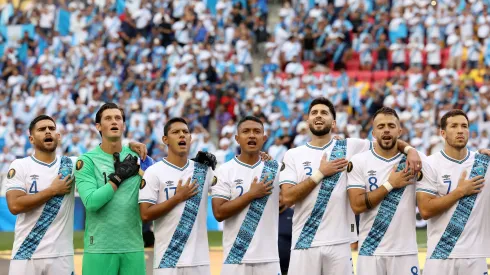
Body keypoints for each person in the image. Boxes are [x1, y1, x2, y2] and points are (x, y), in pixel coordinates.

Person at [279, 97, 421, 275]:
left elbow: (387, 141)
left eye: (324, 113)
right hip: (304, 241)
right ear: (307, 120)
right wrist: (320, 173)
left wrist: (410, 150)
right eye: (314, 113)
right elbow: (287, 197)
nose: (319, 116)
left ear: (334, 123)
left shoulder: (350, 146)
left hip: (340, 241)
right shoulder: (293, 154)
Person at [74, 103, 153, 275]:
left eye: (118, 118)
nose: (114, 121)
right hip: (100, 248)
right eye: (108, 118)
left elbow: (155, 194)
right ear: (98, 126)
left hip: (133, 247)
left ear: (123, 125)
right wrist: (117, 178)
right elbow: (91, 202)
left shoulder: (140, 157)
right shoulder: (86, 161)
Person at [138, 117, 217, 275]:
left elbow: (228, 191)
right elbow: (145, 214)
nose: (182, 135)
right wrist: (177, 198)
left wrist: (262, 158)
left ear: (190, 138)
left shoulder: (203, 170)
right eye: (176, 132)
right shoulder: (154, 172)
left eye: (185, 132)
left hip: (199, 262)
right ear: (165, 139)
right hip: (167, 260)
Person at [346, 107, 420, 275]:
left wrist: (482, 154)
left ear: (400, 131)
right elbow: (357, 206)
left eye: (391, 126)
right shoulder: (359, 161)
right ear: (373, 132)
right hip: (370, 251)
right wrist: (390, 184)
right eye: (380, 126)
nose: (386, 130)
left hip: (405, 251)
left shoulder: (414, 161)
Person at [416, 109, 490, 275]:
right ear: (443, 133)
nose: (460, 130)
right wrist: (460, 191)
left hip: (474, 256)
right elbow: (425, 210)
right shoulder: (430, 164)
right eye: (454, 126)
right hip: (439, 254)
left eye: (464, 126)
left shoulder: (483, 163)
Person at [5, 115, 76, 275]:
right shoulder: (20, 165)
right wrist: (52, 190)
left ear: (58, 136)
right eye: (42, 129)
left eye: (51, 128)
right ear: (31, 138)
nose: (48, 132)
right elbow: (15, 205)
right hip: (25, 253)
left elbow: (103, 155)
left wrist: (130, 147)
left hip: (61, 256)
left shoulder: (71, 165)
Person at [211, 116, 281, 275]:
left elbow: (287, 200)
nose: (251, 135)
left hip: (269, 259)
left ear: (264, 138)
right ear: (237, 138)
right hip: (235, 259)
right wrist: (251, 194)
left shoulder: (275, 169)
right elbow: (219, 213)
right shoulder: (225, 170)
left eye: (257, 132)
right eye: (246, 131)